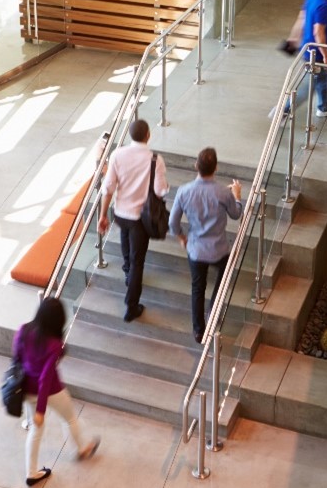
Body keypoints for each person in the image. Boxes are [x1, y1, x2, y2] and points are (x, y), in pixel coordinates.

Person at [14, 297, 101, 486]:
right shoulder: (55, 345)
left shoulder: (23, 330)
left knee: (35, 428)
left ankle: (31, 471)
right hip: (51, 391)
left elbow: (17, 358)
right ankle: (81, 449)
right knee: (69, 418)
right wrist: (41, 410)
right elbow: (45, 378)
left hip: (26, 388)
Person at [168, 147, 244, 343]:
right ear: (216, 167)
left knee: (197, 288)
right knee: (223, 276)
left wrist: (182, 238)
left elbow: (172, 223)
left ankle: (198, 331)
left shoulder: (184, 191)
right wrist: (237, 196)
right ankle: (214, 310)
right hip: (219, 249)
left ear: (196, 166)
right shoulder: (222, 193)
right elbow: (236, 215)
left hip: (196, 250)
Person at [98, 119, 168, 322]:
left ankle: (128, 271)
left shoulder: (117, 155)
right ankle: (131, 305)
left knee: (125, 239)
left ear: (130, 135)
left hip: (121, 213)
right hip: (141, 217)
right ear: (148, 135)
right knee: (139, 260)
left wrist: (103, 215)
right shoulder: (155, 159)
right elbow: (160, 191)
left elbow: (108, 187)